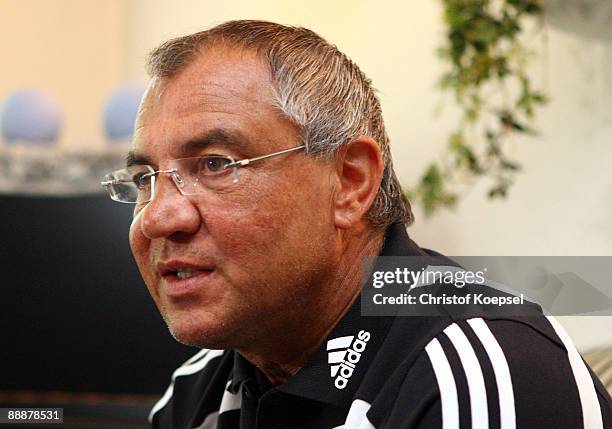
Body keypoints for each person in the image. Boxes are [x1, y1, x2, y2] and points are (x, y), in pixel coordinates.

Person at [101, 20, 612, 429]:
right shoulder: (198, 391)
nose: (158, 216)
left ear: (349, 182)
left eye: (216, 164)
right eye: (144, 179)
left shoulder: (482, 372)